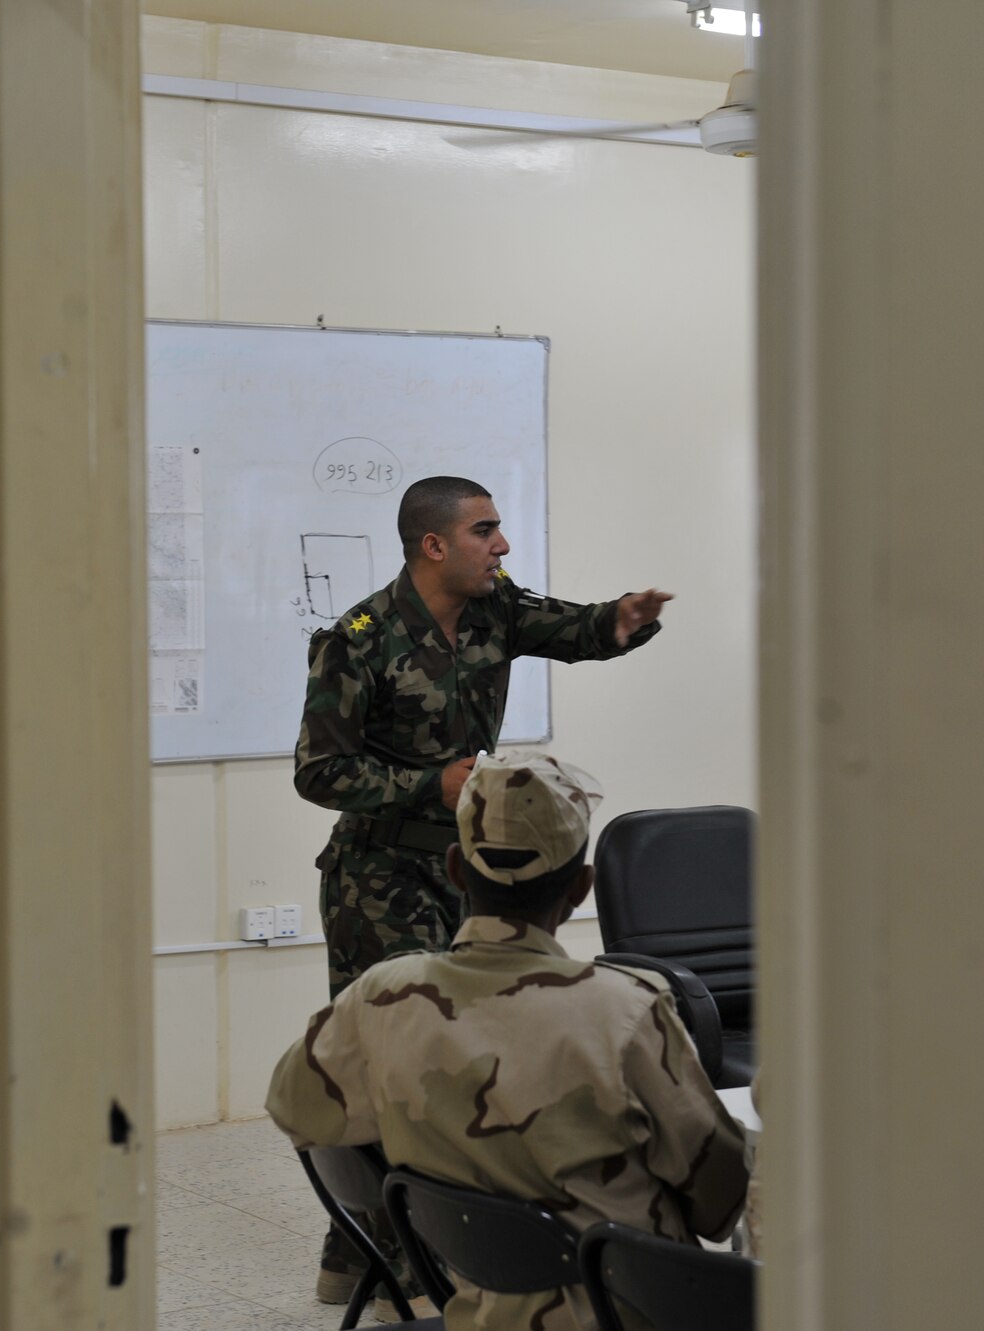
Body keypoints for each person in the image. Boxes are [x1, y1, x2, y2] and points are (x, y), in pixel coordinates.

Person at [294, 475, 673, 1303]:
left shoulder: (496, 607)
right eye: (485, 531)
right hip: (379, 880)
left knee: (453, 1069)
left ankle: (394, 1250)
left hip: (470, 873)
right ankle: (384, 1256)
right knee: (392, 1070)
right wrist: (429, 785)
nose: (501, 545)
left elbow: (574, 630)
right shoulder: (357, 637)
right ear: (435, 545)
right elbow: (319, 771)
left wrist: (623, 619)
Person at [268, 753, 751, 1331]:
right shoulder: (626, 1010)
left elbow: (297, 1110)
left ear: (455, 869)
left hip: (476, 1313)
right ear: (581, 887)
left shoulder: (382, 999)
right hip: (629, 1316)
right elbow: (722, 1203)